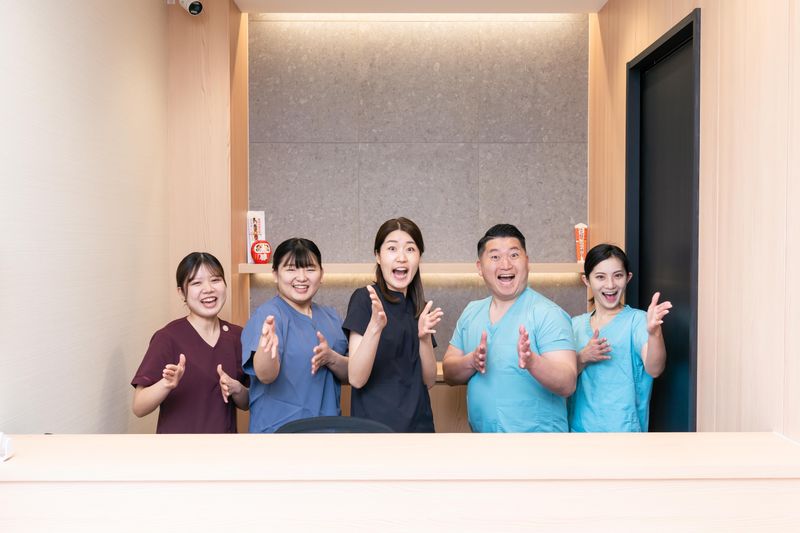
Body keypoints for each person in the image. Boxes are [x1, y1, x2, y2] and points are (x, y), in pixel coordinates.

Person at [443, 224, 577, 432]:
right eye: (495, 257)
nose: (506, 264)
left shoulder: (548, 313)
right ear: (480, 267)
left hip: (539, 444)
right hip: (484, 441)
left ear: (527, 262)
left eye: (514, 255)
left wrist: (533, 362)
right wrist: (470, 361)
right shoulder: (471, 312)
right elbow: (449, 373)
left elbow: (567, 383)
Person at [343, 217, 442, 432]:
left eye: (410, 249)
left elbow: (429, 381)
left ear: (419, 257)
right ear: (378, 256)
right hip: (375, 431)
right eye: (392, 248)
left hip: (420, 429)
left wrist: (424, 338)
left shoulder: (420, 307)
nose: (401, 257)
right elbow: (356, 379)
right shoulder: (365, 299)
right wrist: (375, 327)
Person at [131, 252, 249, 433]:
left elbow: (246, 403)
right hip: (178, 448)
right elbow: (139, 407)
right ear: (181, 292)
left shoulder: (237, 336)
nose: (208, 289)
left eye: (215, 280)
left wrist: (237, 389)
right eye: (196, 283)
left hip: (224, 447)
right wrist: (166, 384)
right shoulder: (167, 338)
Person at [241, 238, 349, 433]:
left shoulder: (331, 317)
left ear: (322, 274)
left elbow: (352, 376)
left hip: (327, 433)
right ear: (275, 274)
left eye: (310, 269)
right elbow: (265, 376)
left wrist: (331, 358)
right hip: (279, 434)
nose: (301, 277)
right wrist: (268, 351)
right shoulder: (269, 316)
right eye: (291, 269)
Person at [568, 243, 671, 432]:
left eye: (618, 275)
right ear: (586, 280)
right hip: (579, 433)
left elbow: (655, 369)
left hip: (624, 434)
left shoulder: (637, 321)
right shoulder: (575, 325)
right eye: (600, 277)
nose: (610, 285)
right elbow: (561, 378)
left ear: (628, 278)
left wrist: (654, 333)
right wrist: (583, 357)